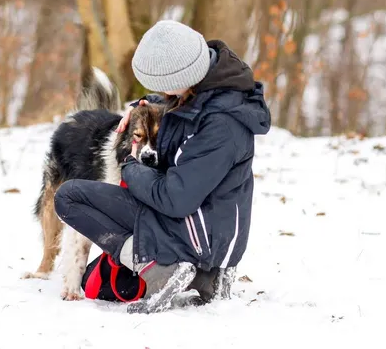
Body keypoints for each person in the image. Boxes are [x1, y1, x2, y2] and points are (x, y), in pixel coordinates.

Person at [54, 20, 271, 313]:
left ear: (185, 75)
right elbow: (182, 108)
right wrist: (142, 106)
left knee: (71, 197)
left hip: (199, 239)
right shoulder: (206, 90)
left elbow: (175, 198)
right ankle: (181, 271)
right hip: (192, 227)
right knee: (100, 282)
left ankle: (165, 269)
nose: (161, 92)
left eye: (163, 85)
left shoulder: (222, 124)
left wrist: (130, 167)